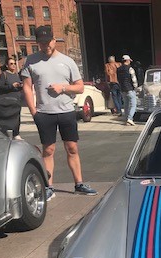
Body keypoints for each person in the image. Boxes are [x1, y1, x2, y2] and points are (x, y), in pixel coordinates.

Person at [21, 26, 97, 200]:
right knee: (48, 150)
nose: (46, 45)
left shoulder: (67, 61)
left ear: (54, 40)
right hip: (44, 113)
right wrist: (33, 111)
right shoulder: (31, 61)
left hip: (66, 111)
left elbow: (80, 87)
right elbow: (27, 87)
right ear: (37, 43)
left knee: (72, 148)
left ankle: (79, 184)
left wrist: (62, 88)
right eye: (42, 43)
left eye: (48, 42)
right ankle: (49, 187)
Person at [0, 58, 23, 139]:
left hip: (17, 98)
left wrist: (20, 86)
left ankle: (16, 134)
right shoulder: (4, 74)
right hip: (7, 99)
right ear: (7, 65)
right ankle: (4, 134)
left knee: (17, 117)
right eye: (11, 64)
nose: (13, 65)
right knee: (7, 116)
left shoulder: (16, 75)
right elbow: (1, 87)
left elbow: (20, 85)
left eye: (14, 63)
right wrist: (11, 86)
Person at [117, 54, 137, 126]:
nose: (130, 62)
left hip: (122, 89)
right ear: (127, 60)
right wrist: (135, 87)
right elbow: (134, 79)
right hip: (130, 88)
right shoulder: (130, 69)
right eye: (129, 60)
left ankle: (126, 119)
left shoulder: (118, 69)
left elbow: (118, 79)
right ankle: (130, 118)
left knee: (126, 105)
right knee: (133, 105)